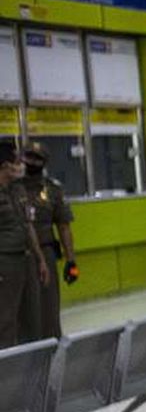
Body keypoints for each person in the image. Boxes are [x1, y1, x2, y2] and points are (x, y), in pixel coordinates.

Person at [18, 142, 75, 339]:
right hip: (19, 254)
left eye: (37, 159)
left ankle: (51, 347)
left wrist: (71, 260)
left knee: (49, 306)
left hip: (46, 251)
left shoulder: (53, 190)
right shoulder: (13, 188)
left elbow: (64, 226)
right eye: (28, 157)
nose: (31, 162)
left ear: (44, 162)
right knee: (24, 309)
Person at [0, 140, 47, 348]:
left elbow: (28, 226)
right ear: (4, 166)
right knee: (5, 318)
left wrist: (40, 259)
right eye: (16, 161)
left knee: (25, 315)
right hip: (4, 261)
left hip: (22, 258)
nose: (21, 165)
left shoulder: (18, 190)